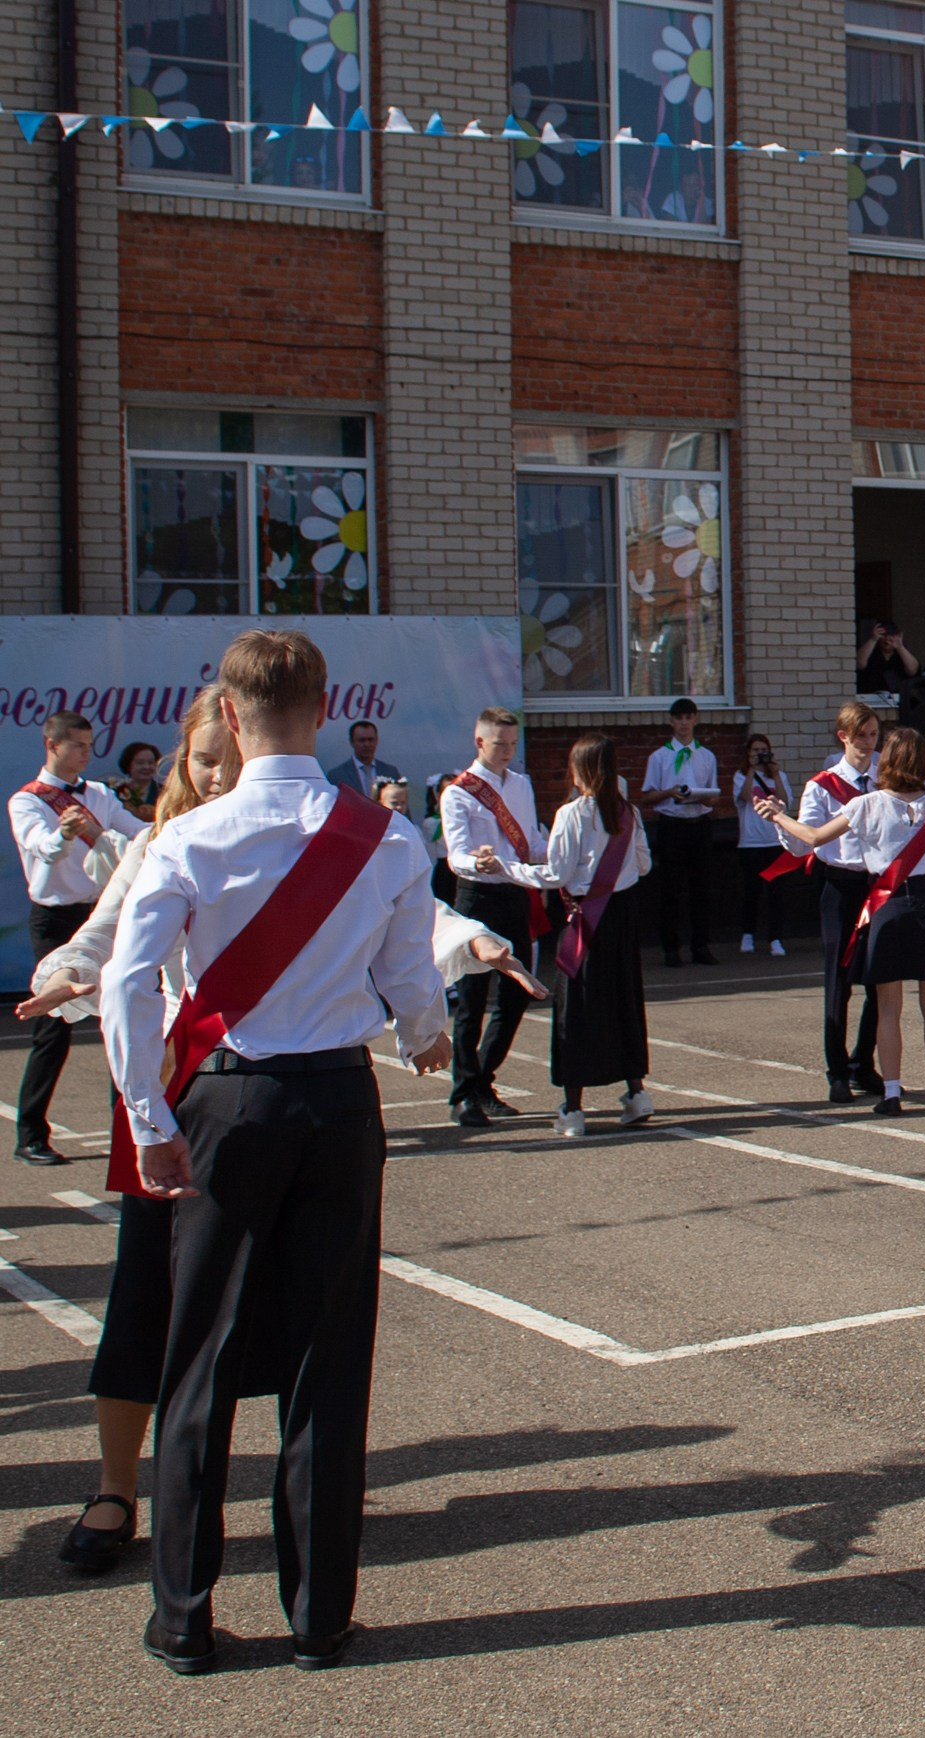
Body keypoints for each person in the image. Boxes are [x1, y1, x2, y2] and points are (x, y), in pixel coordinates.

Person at [33, 686, 542, 1577]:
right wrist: (69, 972)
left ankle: (274, 1507)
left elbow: (404, 912)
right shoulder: (162, 844)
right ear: (188, 765)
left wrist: (473, 941)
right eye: (205, 764)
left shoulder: (318, 838)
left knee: (275, 1304)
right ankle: (118, 1485)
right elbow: (98, 942)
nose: (221, 775)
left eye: (226, 760)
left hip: (253, 1101)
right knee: (150, 1300)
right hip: (172, 1092)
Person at [100, 629, 454, 1673]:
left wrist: (148, 1121)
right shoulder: (383, 838)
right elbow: (411, 980)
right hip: (339, 1101)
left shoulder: (188, 839)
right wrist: (425, 1033)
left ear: (229, 706)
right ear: (322, 702)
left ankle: (182, 1615)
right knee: (327, 1359)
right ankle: (318, 1614)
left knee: (198, 1355)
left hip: (225, 1101)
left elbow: (129, 986)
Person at [757, 725, 925, 1116]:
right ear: (923, 762)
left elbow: (815, 837)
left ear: (886, 760)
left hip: (885, 909)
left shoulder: (866, 805)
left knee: (888, 1007)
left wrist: (777, 816)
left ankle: (890, 1092)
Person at [490, 735, 655, 1138]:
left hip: (585, 917)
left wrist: (506, 869)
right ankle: (636, 1094)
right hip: (622, 918)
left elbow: (556, 874)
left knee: (576, 1009)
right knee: (624, 1000)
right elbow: (645, 865)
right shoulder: (628, 812)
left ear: (580, 770)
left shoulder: (571, 814)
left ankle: (573, 1108)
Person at [10, 711, 148, 1164]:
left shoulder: (100, 796)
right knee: (54, 1026)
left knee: (118, 1017)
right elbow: (39, 847)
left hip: (102, 912)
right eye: (78, 746)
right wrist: (63, 835)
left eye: (90, 745)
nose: (87, 753)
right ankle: (30, 1134)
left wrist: (98, 831)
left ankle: (126, 1129)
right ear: (52, 746)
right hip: (54, 920)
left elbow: (141, 837)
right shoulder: (27, 800)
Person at [439, 706, 546, 1129]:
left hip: (514, 894)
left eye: (512, 745)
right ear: (479, 741)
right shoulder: (459, 792)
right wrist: (478, 863)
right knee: (471, 1000)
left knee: (517, 994)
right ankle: (463, 1094)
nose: (507, 752)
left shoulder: (521, 785)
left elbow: (533, 841)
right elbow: (456, 855)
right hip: (477, 898)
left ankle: (482, 1080)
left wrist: (559, 856)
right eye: (499, 744)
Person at [792, 704, 884, 1100]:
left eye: (873, 734)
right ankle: (836, 1070)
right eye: (860, 735)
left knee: (880, 980)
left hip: (880, 884)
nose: (868, 743)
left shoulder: (887, 776)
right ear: (843, 736)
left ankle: (864, 1061)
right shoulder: (823, 784)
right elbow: (805, 838)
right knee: (839, 980)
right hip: (840, 886)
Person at [638, 698, 721, 968]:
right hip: (672, 826)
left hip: (699, 825)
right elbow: (648, 796)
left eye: (688, 718)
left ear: (695, 719)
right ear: (671, 721)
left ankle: (701, 945)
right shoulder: (660, 757)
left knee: (702, 889)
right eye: (679, 718)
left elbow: (713, 794)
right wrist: (669, 792)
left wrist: (706, 799)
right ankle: (671, 948)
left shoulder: (707, 756)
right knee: (671, 890)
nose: (684, 723)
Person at [733, 733, 794, 957]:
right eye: (755, 751)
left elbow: (786, 802)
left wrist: (775, 774)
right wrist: (751, 769)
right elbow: (747, 796)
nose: (759, 754)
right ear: (748, 754)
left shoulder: (779, 776)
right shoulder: (740, 776)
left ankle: (775, 938)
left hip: (774, 842)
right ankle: (748, 934)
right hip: (750, 843)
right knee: (751, 892)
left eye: (763, 750)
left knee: (776, 893)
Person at [324, 720, 399, 800]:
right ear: (352, 742)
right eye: (361, 740)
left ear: (376, 740)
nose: (367, 744)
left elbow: (402, 807)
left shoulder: (390, 773)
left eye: (370, 739)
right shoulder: (337, 776)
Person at [857, 620, 921, 695]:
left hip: (899, 700)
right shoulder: (871, 652)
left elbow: (912, 670)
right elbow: (859, 664)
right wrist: (873, 639)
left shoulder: (901, 656)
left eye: (891, 635)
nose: (887, 639)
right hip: (870, 699)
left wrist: (900, 647)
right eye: (883, 635)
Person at [115, 741, 164, 822]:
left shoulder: (164, 792)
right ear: (128, 765)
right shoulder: (116, 791)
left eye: (151, 763)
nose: (146, 767)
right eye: (140, 763)